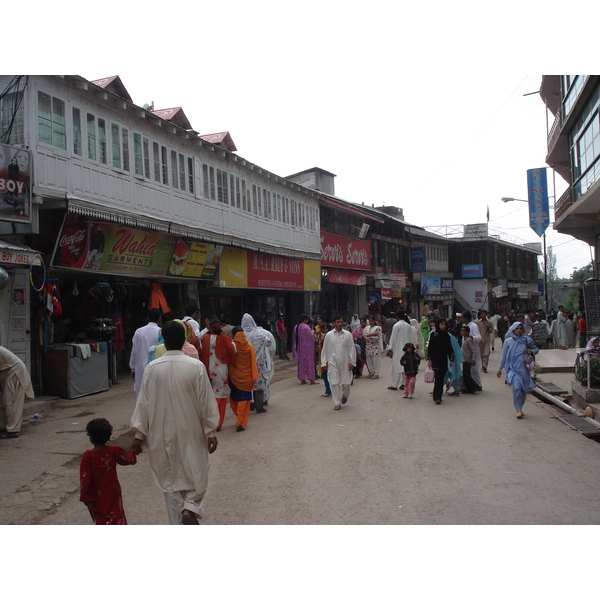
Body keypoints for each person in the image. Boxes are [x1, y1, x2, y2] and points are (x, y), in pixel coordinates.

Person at [130, 320, 219, 524]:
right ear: (183, 341)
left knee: (170, 482)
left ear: (165, 343)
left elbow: (144, 403)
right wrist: (211, 432)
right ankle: (190, 507)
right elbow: (206, 402)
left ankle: (178, 522)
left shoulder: (152, 369)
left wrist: (138, 436)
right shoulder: (196, 367)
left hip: (162, 433)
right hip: (192, 431)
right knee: (196, 472)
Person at [80, 418, 137, 525]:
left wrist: (85, 496)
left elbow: (85, 478)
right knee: (116, 513)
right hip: (112, 491)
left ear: (91, 438)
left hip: (96, 495)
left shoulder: (88, 456)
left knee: (101, 516)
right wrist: (133, 451)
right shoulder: (113, 451)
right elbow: (128, 460)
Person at [497, 322, 539, 419]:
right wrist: (499, 369)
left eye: (521, 328)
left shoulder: (527, 340)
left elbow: (536, 349)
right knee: (516, 386)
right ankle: (518, 409)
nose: (519, 330)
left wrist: (531, 351)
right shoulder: (508, 341)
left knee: (523, 390)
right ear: (513, 329)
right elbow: (503, 356)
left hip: (524, 369)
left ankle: (520, 406)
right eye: (517, 328)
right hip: (512, 369)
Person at [201, 319, 236, 431]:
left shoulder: (206, 338)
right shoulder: (224, 338)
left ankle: (210, 420)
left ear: (211, 328)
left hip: (209, 367)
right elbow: (232, 350)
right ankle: (218, 423)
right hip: (221, 369)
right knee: (221, 394)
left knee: (212, 393)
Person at [320, 315, 355, 410]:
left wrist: (353, 362)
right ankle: (337, 403)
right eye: (338, 322)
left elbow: (352, 349)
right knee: (334, 382)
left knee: (346, 383)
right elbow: (325, 350)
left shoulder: (347, 335)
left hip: (345, 362)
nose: (340, 324)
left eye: (341, 322)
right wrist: (324, 363)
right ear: (334, 323)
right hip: (333, 362)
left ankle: (345, 395)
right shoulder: (329, 335)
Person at [228, 326, 259, 432]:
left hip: (234, 377)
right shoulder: (250, 347)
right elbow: (253, 362)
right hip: (246, 379)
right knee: (244, 401)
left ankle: (239, 418)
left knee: (235, 398)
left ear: (233, 335)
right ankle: (240, 422)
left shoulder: (232, 346)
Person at [0, 346, 34, 439]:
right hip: (8, 375)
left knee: (11, 402)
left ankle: (13, 430)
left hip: (15, 373)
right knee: (3, 402)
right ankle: (4, 426)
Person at [241, 313, 272, 413]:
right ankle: (259, 406)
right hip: (259, 364)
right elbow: (268, 342)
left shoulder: (240, 334)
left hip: (244, 364)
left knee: (246, 384)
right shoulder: (259, 333)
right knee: (258, 384)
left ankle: (248, 404)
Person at [129, 308, 161, 398]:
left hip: (140, 367)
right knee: (154, 394)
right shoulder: (160, 332)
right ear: (159, 318)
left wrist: (133, 368)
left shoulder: (138, 332)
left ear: (147, 318)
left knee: (141, 394)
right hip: (155, 366)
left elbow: (134, 351)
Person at [426, 318, 455, 405]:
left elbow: (450, 348)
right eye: (441, 324)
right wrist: (430, 359)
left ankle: (438, 396)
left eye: (444, 324)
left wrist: (451, 359)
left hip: (443, 359)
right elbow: (430, 348)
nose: (443, 326)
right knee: (438, 378)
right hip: (436, 359)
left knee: (441, 378)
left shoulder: (446, 335)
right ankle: (437, 397)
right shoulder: (433, 335)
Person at [387, 312, 415, 391]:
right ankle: (403, 384)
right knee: (405, 366)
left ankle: (394, 384)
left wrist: (390, 348)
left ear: (397, 316)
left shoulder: (396, 326)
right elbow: (411, 338)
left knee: (395, 367)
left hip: (397, 349)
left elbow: (393, 338)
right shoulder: (408, 326)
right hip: (407, 349)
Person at [292, 313, 317, 385]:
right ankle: (312, 379)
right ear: (305, 320)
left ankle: (302, 379)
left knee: (302, 363)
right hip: (308, 348)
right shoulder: (306, 327)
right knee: (310, 363)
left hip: (300, 348)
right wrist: (313, 333)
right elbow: (311, 336)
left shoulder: (297, 327)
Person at [460, 312, 483, 391]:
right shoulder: (465, 326)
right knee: (467, 371)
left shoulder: (473, 326)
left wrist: (472, 337)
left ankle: (478, 385)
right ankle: (469, 386)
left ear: (466, 318)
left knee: (474, 370)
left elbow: (479, 337)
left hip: (472, 351)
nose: (461, 319)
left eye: (462, 317)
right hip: (466, 352)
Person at [459, 325, 479, 394]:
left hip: (468, 359)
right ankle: (468, 388)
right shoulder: (464, 339)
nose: (461, 332)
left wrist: (473, 359)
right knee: (465, 374)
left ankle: (474, 386)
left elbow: (473, 351)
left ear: (467, 332)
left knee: (467, 374)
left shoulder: (468, 340)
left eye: (463, 331)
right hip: (464, 359)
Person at [317, 322, 332, 397]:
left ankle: (328, 390)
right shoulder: (322, 336)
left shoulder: (327, 337)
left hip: (327, 358)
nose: (323, 330)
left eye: (325, 328)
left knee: (325, 374)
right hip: (322, 357)